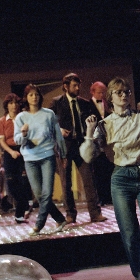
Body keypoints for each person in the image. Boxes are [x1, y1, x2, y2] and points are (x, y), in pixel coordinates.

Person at [80, 78, 140, 280]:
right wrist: (89, 132)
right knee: (130, 233)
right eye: (119, 92)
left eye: (127, 92)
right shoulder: (105, 124)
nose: (124, 95)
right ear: (110, 97)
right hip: (121, 178)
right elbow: (88, 156)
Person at [50, 73, 106, 224]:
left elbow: (98, 121)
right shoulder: (57, 102)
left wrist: (92, 132)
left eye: (78, 85)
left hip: (82, 145)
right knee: (66, 182)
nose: (77, 88)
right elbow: (48, 123)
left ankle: (95, 213)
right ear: (65, 86)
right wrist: (59, 130)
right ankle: (70, 214)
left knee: (89, 179)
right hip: (64, 147)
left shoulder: (85, 103)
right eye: (74, 86)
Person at [15, 84, 68, 235]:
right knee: (39, 194)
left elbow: (58, 136)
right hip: (30, 158)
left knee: (47, 193)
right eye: (31, 95)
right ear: (26, 98)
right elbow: (17, 140)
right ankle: (60, 219)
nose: (34, 97)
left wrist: (63, 154)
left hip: (47, 156)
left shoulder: (49, 114)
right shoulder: (21, 117)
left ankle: (39, 225)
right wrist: (24, 134)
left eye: (36, 94)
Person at [0, 93, 31, 223]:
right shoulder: (2, 121)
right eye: (11, 103)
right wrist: (11, 152)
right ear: (7, 105)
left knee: (24, 181)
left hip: (23, 149)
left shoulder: (23, 117)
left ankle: (20, 214)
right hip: (9, 152)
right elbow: (2, 141)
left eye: (16, 103)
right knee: (11, 183)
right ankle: (24, 205)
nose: (14, 106)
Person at [89, 81, 114, 205]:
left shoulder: (108, 104)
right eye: (99, 93)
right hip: (96, 142)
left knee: (109, 169)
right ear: (93, 92)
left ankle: (110, 197)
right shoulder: (88, 105)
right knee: (98, 171)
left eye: (103, 92)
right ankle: (101, 197)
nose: (102, 95)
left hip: (108, 142)